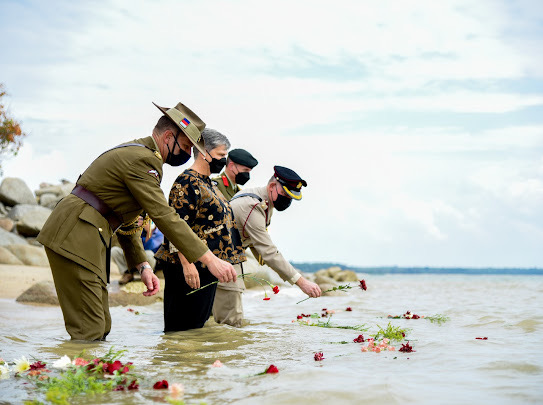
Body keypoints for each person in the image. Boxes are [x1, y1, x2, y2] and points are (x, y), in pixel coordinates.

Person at [37, 101, 237, 341]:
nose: (186, 154)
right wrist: (209, 259)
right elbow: (164, 215)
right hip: (75, 235)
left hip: (86, 234)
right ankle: (70, 376)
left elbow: (128, 221)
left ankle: (87, 374)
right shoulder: (143, 160)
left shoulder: (142, 157)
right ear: (168, 137)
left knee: (100, 326)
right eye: (184, 146)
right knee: (89, 328)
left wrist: (141, 265)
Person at [155, 128, 246, 331]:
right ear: (204, 151)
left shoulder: (210, 184)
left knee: (197, 330)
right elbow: (177, 226)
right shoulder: (186, 182)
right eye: (221, 155)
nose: (223, 161)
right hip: (188, 267)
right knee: (181, 329)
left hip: (208, 268)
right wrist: (187, 265)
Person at [212, 166, 322, 327]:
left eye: (291, 197)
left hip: (227, 260)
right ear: (272, 186)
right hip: (223, 261)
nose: (287, 200)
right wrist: (302, 282)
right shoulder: (253, 205)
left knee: (218, 326)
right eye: (285, 194)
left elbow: (259, 244)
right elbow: (268, 251)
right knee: (231, 324)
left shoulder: (263, 201)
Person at [112, 215, 164, 285]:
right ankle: (128, 273)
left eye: (142, 220)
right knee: (115, 250)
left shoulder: (159, 234)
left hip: (148, 260)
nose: (140, 221)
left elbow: (149, 247)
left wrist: (149, 232)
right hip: (133, 259)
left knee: (149, 254)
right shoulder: (138, 230)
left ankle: (147, 274)